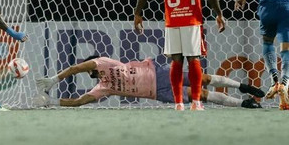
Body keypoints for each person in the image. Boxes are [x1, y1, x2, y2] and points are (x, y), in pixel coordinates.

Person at [134, 0, 226, 111]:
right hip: (191, 19)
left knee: (176, 60)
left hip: (173, 19)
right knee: (194, 59)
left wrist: (138, 13)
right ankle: (196, 102)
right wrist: (219, 13)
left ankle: (178, 103)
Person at [34, 56, 264, 108]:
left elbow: (76, 68)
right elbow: (78, 102)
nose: (88, 71)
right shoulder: (104, 87)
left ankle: (243, 87)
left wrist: (55, 79)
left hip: (159, 73)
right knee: (201, 95)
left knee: (201, 79)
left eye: (89, 68)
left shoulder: (103, 62)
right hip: (159, 93)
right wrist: (51, 101)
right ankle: (243, 103)